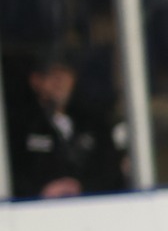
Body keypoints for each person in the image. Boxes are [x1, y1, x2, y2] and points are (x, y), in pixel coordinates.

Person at [6, 53, 124, 198]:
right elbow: (10, 173)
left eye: (65, 75)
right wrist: (41, 191)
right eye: (52, 75)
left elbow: (111, 170)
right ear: (36, 81)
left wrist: (82, 187)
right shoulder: (19, 126)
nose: (60, 82)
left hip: (92, 208)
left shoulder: (92, 123)